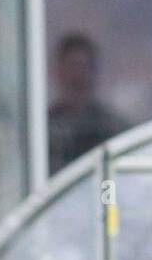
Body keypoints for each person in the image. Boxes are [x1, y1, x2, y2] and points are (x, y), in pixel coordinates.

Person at [47, 33, 128, 174]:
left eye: (84, 66)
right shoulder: (44, 129)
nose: (79, 75)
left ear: (94, 73)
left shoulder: (112, 128)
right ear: (58, 72)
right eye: (72, 66)